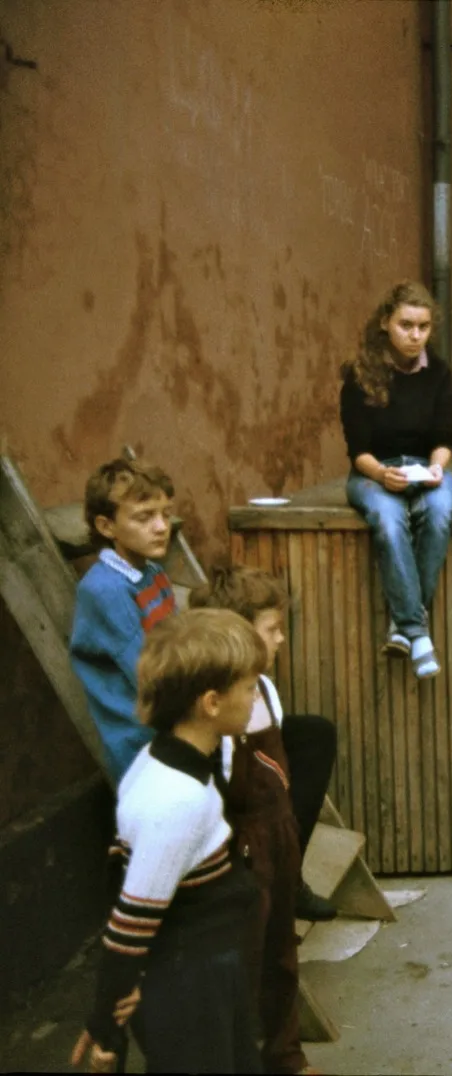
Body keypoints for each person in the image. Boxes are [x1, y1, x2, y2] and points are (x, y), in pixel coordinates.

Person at [71, 609, 269, 1074]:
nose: (256, 697)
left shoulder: (167, 761)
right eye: (249, 688)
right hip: (190, 986)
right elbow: (130, 919)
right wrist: (106, 1023)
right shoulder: (175, 800)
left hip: (205, 972)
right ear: (211, 703)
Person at [190, 567, 340, 1073]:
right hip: (244, 846)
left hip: (280, 838)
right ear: (237, 633)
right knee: (243, 963)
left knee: (282, 955)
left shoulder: (266, 691)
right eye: (273, 628)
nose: (280, 637)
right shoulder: (216, 707)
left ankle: (286, 1055)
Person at [340, 281, 452, 680]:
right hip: (374, 470)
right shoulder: (360, 374)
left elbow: (444, 440)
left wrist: (438, 467)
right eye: (406, 325)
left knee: (440, 512)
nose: (415, 335)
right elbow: (357, 451)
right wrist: (381, 474)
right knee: (390, 522)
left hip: (424, 467)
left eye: (423, 327)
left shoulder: (438, 373)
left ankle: (405, 627)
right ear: (386, 324)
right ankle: (416, 632)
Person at [69, 458, 179, 781]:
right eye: (145, 517)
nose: (161, 527)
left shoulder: (151, 573)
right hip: (143, 745)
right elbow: (150, 676)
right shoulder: (105, 591)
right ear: (107, 527)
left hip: (172, 721)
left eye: (165, 514)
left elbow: (182, 645)